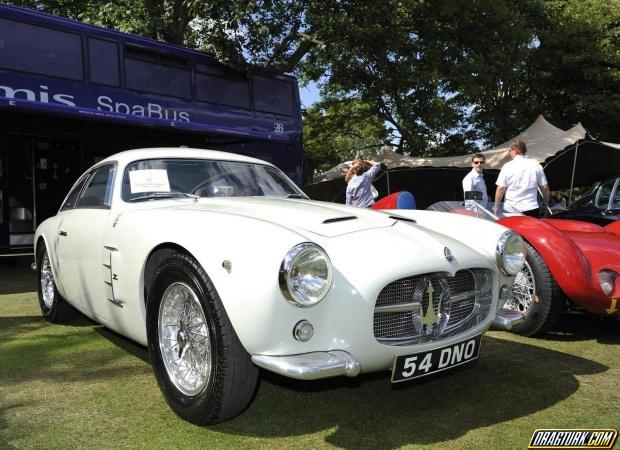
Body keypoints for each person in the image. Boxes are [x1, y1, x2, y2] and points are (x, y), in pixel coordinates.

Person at [494, 139, 550, 217]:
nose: (509, 152)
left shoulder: (507, 166)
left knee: (513, 229)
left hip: (511, 209)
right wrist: (545, 203)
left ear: (515, 150)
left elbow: (500, 188)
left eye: (510, 150)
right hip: (531, 208)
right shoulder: (536, 165)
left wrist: (496, 207)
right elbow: (545, 188)